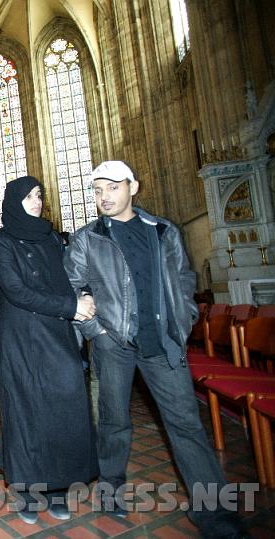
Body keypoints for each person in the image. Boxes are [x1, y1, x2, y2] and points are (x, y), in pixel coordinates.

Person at [63, 160, 249, 538]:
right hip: (113, 343)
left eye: (112, 187)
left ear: (134, 186)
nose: (104, 197)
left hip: (163, 343)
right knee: (114, 421)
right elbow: (73, 286)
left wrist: (181, 322)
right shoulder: (87, 238)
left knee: (186, 425)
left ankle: (214, 513)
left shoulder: (163, 230)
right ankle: (111, 487)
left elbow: (183, 277)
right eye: (97, 190)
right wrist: (98, 331)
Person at [0, 175, 99, 524]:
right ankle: (29, 492)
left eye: (40, 195)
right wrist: (70, 306)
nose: (37, 201)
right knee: (26, 412)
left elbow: (66, 279)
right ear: (14, 200)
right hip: (21, 337)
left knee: (64, 406)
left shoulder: (52, 237)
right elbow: (15, 291)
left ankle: (59, 487)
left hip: (56, 334)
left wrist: (83, 297)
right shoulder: (2, 241)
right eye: (30, 196)